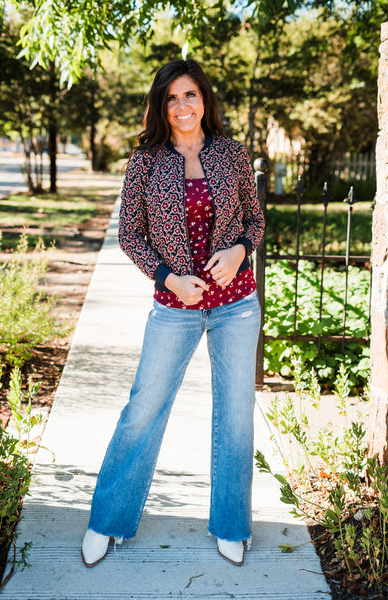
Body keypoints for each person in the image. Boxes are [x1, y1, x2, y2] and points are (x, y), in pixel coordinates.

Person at [82, 58, 265, 568]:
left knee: (235, 416)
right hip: (174, 306)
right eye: (171, 98)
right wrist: (167, 277)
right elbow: (129, 236)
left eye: (190, 95)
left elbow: (254, 220)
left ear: (204, 99)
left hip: (236, 305)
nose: (182, 106)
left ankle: (232, 525)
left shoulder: (232, 154)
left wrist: (238, 252)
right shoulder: (145, 160)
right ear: (161, 106)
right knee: (143, 408)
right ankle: (108, 519)